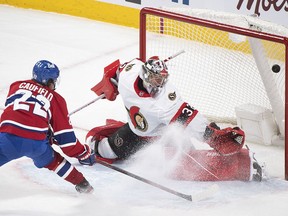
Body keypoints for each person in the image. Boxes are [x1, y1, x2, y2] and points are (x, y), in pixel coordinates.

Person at [86, 56, 264, 182]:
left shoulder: (165, 100)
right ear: (145, 75)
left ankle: (243, 164)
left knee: (184, 167)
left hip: (162, 135)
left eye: (162, 79)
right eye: (156, 78)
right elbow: (118, 69)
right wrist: (110, 83)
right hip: (136, 134)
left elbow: (189, 118)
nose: (160, 83)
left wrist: (212, 136)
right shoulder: (129, 73)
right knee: (104, 151)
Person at [0, 60, 96, 193]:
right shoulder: (56, 99)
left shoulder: (15, 86)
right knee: (53, 161)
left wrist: (44, 130)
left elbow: (15, 114)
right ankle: (83, 185)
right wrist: (84, 153)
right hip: (36, 145)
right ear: (49, 80)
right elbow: (67, 142)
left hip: (8, 140)